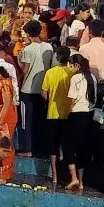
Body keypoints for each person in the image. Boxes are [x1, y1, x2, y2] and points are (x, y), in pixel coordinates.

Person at [17, 20, 54, 157]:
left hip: (28, 90)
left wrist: (19, 60)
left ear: (27, 33)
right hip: (43, 89)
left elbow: (24, 70)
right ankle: (39, 149)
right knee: (39, 120)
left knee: (26, 121)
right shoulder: (48, 47)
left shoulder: (28, 49)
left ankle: (27, 149)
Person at [41, 47, 74, 183]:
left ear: (57, 57)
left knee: (53, 146)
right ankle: (69, 175)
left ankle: (54, 176)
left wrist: (50, 101)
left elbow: (44, 92)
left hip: (53, 112)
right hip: (69, 114)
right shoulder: (72, 73)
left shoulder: (50, 72)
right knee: (68, 145)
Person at [65, 55, 95, 191]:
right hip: (88, 114)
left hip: (76, 114)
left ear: (76, 65)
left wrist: (68, 112)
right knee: (83, 148)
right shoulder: (92, 77)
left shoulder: (75, 78)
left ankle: (74, 178)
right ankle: (81, 181)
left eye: (71, 65)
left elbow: (71, 99)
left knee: (69, 147)